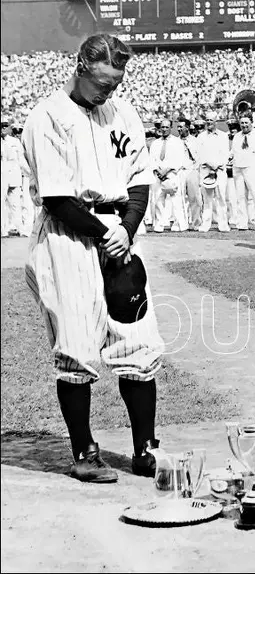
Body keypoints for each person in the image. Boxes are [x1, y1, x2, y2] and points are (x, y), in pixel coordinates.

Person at [21, 33, 164, 482]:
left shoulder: (122, 112)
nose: (109, 92)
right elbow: (59, 198)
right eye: (103, 83)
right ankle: (83, 453)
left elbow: (140, 179)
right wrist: (109, 233)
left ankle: (144, 449)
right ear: (80, 66)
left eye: (116, 83)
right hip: (69, 235)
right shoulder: (48, 116)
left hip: (119, 232)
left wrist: (127, 229)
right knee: (78, 347)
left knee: (139, 343)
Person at [230, 111, 255, 231]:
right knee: (240, 197)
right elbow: (233, 152)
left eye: (246, 122)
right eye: (242, 123)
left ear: (252, 122)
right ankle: (242, 224)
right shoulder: (237, 136)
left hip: (254, 169)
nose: (244, 125)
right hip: (238, 168)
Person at [149, 117, 189, 232]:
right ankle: (160, 224)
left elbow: (179, 160)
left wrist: (167, 170)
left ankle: (178, 223)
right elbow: (152, 159)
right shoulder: (155, 143)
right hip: (158, 175)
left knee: (176, 200)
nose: (165, 129)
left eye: (167, 127)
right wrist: (158, 170)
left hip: (172, 174)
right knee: (158, 200)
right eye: (163, 127)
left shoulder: (177, 142)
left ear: (171, 128)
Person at [195, 113, 230, 232]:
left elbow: (225, 154)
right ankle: (206, 224)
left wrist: (216, 167)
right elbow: (199, 155)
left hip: (220, 171)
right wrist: (209, 166)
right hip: (205, 170)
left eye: (211, 120)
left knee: (221, 198)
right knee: (207, 199)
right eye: (207, 120)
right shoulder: (201, 137)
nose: (209, 122)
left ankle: (223, 224)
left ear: (216, 121)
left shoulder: (223, 136)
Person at [177, 118, 202, 231]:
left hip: (192, 170)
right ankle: (182, 223)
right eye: (178, 127)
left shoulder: (195, 141)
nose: (179, 129)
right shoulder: (175, 141)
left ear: (187, 127)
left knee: (195, 198)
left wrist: (195, 169)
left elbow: (198, 158)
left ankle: (196, 223)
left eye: (181, 126)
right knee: (180, 198)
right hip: (180, 171)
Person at [1, 118, 24, 236]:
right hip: (2, 174)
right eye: (1, 126)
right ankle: (3, 229)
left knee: (15, 203)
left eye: (5, 126)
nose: (3, 128)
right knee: (2, 203)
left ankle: (17, 228)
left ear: (10, 128)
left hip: (14, 173)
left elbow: (21, 159)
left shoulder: (15, 142)